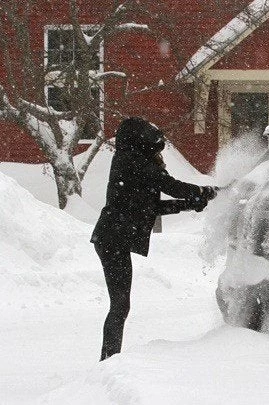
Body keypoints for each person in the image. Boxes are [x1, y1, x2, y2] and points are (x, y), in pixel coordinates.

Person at [91, 117, 216, 361]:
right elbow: (171, 186)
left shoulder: (133, 162)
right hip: (112, 239)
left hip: (112, 238)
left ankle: (108, 358)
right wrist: (204, 192)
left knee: (120, 305)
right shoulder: (132, 161)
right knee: (120, 304)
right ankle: (107, 360)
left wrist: (190, 204)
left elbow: (152, 206)